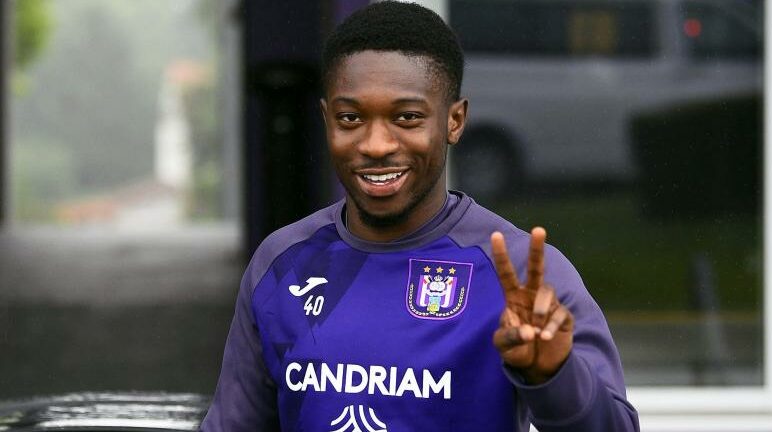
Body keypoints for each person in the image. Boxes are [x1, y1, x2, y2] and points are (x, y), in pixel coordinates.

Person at [201, 2, 639, 431]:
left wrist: (556, 376)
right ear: (326, 118)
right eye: (350, 118)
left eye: (407, 117)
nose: (375, 145)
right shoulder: (282, 263)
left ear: (454, 121)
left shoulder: (519, 274)